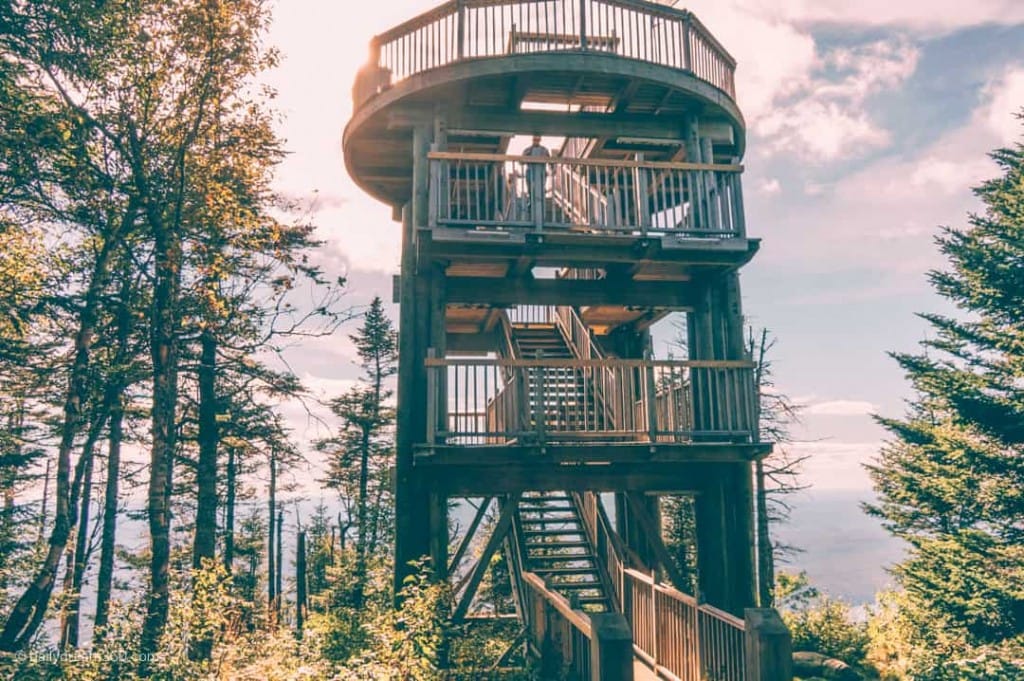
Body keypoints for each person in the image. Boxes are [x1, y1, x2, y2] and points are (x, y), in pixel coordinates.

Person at [523, 135, 550, 222]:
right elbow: (521, 161)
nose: (536, 141)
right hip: (530, 172)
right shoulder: (528, 149)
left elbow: (550, 161)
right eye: (535, 139)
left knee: (541, 192)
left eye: (538, 140)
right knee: (531, 191)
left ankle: (541, 213)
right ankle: (531, 206)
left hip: (541, 173)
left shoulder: (544, 150)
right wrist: (527, 155)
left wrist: (552, 169)